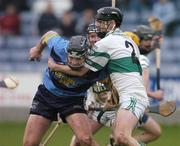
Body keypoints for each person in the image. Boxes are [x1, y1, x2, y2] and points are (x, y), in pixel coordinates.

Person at [47, 7, 149, 146]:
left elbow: (82, 71)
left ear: (112, 23)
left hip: (132, 96)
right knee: (118, 139)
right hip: (127, 96)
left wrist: (55, 67)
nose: (98, 24)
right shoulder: (126, 39)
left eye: (102, 22)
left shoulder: (105, 43)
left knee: (122, 137)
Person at [23, 32, 103, 146]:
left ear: (86, 55)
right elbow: (49, 34)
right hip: (46, 95)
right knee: (29, 144)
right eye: (71, 58)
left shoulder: (96, 62)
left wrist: (56, 67)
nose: (74, 62)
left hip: (73, 100)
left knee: (86, 140)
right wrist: (37, 49)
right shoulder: (60, 46)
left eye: (78, 59)